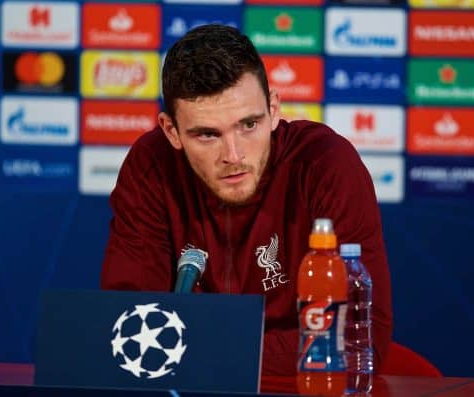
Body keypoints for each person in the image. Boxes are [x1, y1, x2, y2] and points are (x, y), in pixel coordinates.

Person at [101, 24, 392, 377]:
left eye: (249, 124)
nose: (233, 155)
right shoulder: (151, 166)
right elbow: (130, 330)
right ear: (171, 131)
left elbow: (358, 336)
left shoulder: (325, 164)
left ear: (273, 108)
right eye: (207, 135)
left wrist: (199, 347)